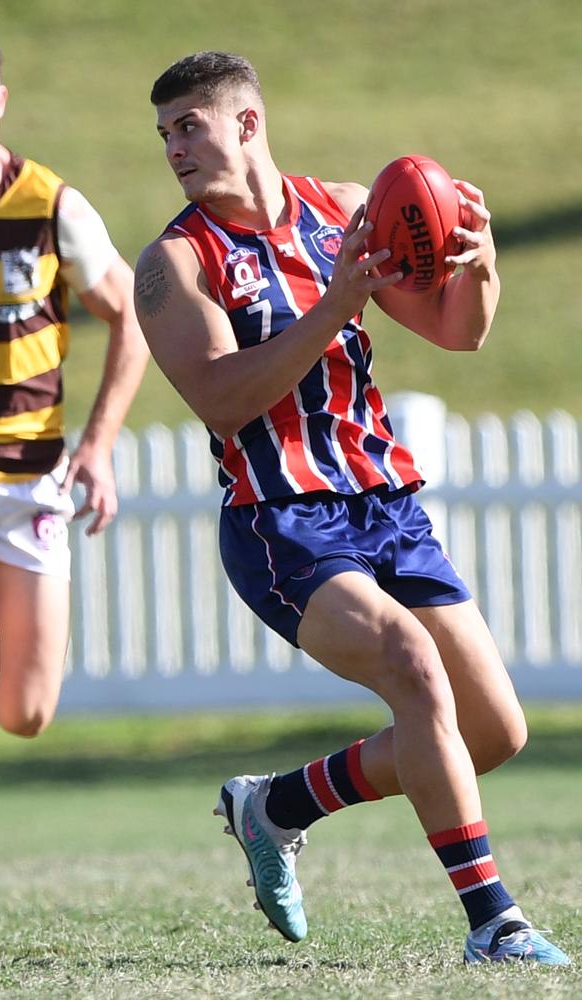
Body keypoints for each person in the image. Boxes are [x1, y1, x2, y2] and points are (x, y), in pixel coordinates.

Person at [134, 51, 570, 965]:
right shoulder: (174, 264)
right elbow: (221, 398)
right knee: (413, 669)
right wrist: (337, 300)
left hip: (384, 503)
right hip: (279, 518)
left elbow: (460, 329)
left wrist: (478, 261)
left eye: (189, 125)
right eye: (165, 131)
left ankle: (277, 804)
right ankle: (495, 922)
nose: (173, 146)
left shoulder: (342, 210)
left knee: (492, 729)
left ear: (246, 123)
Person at [0, 21, 149, 922]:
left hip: (33, 475)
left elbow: (133, 314)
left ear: (1, 99)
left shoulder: (53, 204)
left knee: (23, 708)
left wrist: (96, 444)